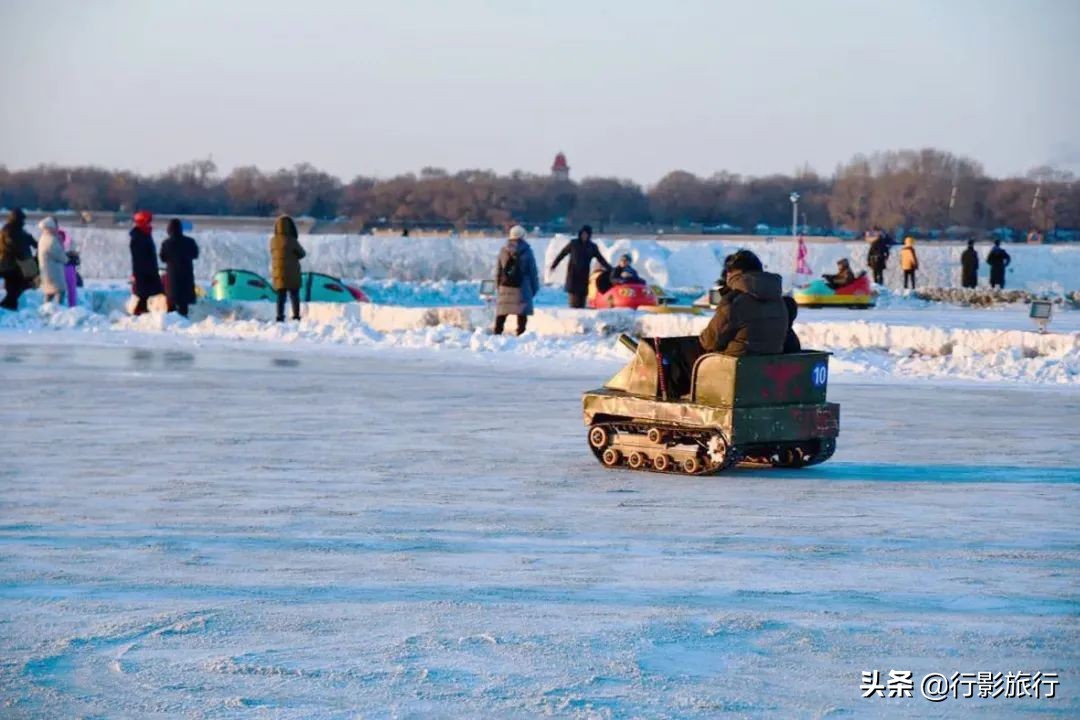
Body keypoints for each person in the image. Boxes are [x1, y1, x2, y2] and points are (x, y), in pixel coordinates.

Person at [699, 250, 788, 356]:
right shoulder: (779, 300)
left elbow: (709, 342)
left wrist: (723, 305)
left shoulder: (734, 301)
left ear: (730, 274)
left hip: (734, 366)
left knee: (680, 351)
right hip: (770, 366)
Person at [492, 225, 539, 336]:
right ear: (523, 236)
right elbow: (533, 271)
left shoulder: (503, 250)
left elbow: (498, 270)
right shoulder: (527, 251)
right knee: (521, 312)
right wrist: (534, 288)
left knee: (502, 311)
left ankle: (497, 332)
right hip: (522, 286)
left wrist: (498, 286)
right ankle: (521, 334)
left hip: (505, 285)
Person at [550, 225, 611, 308]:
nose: (584, 236)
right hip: (573, 274)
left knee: (582, 297)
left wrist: (610, 268)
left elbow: (600, 259)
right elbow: (562, 254)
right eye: (583, 234)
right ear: (580, 234)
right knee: (573, 297)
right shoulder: (573, 244)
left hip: (584, 274)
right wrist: (554, 265)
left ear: (589, 235)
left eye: (586, 234)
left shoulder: (592, 247)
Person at [159, 219, 200, 317]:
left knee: (171, 302)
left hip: (172, 276)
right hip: (186, 275)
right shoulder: (190, 241)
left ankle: (171, 323)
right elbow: (195, 254)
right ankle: (184, 322)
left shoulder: (166, 243)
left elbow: (162, 258)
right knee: (184, 304)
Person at [270, 215, 306, 321]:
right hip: (292, 271)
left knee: (281, 295)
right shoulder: (291, 240)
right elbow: (302, 253)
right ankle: (296, 316)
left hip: (278, 272)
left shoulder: (273, 241)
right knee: (294, 294)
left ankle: (279, 316)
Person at [0, 209, 37, 310]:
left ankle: (9, 305)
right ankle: (7, 306)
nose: (24, 222)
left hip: (14, 265)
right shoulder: (10, 231)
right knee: (15, 287)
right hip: (10, 265)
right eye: (22, 219)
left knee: (16, 287)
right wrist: (29, 262)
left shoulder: (16, 230)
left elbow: (26, 239)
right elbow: (18, 247)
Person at [129, 210, 163, 315]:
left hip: (149, 270)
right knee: (144, 295)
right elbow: (138, 257)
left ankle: (141, 313)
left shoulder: (144, 234)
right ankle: (139, 313)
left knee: (146, 295)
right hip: (144, 271)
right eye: (148, 221)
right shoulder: (139, 237)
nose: (150, 224)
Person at [37, 217, 69, 304]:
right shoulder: (51, 240)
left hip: (47, 270)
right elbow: (59, 255)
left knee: (49, 292)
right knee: (60, 291)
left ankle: (46, 309)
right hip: (53, 271)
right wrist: (68, 259)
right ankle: (57, 310)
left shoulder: (44, 237)